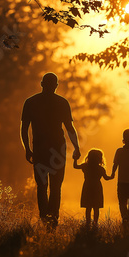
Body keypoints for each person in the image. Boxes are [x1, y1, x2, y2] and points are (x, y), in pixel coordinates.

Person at [21, 72, 81, 227]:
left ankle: (45, 218)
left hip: (40, 149)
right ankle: (52, 219)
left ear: (42, 84)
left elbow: (24, 128)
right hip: (57, 150)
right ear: (56, 85)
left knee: (42, 186)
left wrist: (27, 148)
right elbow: (70, 128)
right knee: (56, 187)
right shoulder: (62, 102)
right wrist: (76, 147)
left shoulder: (31, 102)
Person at [74, 149, 112, 228]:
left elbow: (75, 166)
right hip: (97, 187)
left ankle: (88, 222)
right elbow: (106, 178)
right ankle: (95, 223)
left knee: (88, 207)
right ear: (99, 159)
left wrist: (75, 159)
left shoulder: (85, 166)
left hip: (87, 186)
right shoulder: (101, 169)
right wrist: (112, 176)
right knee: (96, 207)